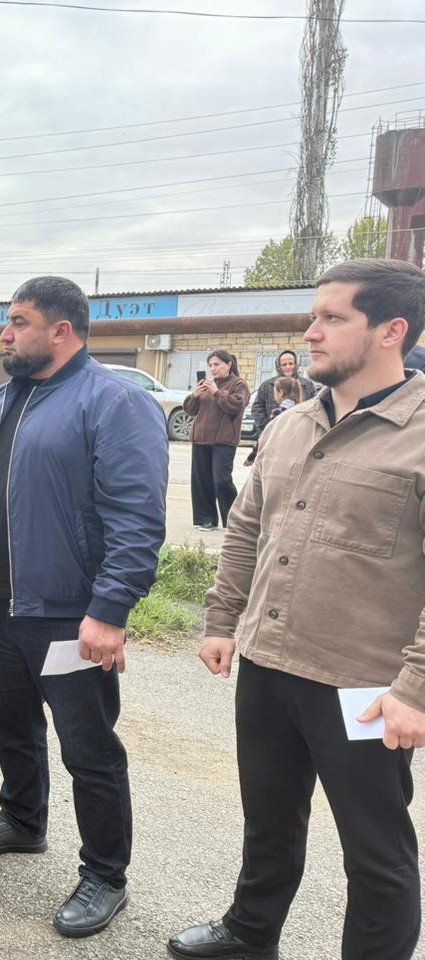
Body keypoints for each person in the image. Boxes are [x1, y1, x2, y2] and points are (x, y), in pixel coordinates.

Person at [168, 258, 425, 960]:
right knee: (270, 820)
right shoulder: (290, 424)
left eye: (333, 318)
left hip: (363, 685)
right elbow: (250, 529)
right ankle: (250, 933)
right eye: (313, 316)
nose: (309, 332)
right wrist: (222, 621)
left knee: (376, 853)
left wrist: (415, 690)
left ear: (390, 331)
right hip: (269, 663)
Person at [0, 276, 168, 939]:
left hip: (71, 614)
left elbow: (137, 520)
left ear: (61, 331)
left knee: (88, 747)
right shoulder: (0, 400)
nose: (4, 335)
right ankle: (23, 822)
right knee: (5, 718)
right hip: (4, 605)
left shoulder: (113, 401)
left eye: (18, 322)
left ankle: (104, 876)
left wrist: (111, 610)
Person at [182, 350, 249, 530]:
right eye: (210, 365)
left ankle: (234, 522)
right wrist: (195, 394)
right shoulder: (206, 384)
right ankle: (206, 520)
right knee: (201, 481)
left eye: (217, 364)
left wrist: (217, 392)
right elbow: (190, 409)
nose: (213, 368)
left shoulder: (238, 384)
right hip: (201, 439)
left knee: (221, 480)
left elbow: (235, 406)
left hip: (223, 440)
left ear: (229, 365)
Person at [243, 350, 315, 466]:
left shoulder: (307, 385)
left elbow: (314, 408)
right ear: (278, 366)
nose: (288, 367)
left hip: (298, 438)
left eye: (291, 364)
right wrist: (266, 426)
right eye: (284, 364)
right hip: (271, 437)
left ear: (296, 365)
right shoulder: (268, 385)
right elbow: (257, 407)